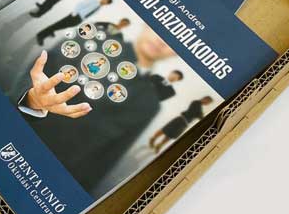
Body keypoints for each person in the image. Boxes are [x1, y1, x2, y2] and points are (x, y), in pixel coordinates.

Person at [12, 25, 178, 196]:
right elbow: (34, 76)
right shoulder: (91, 39)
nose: (162, 41)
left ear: (177, 53)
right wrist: (31, 100)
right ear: (147, 24)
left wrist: (69, 194)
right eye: (162, 30)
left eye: (174, 40)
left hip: (47, 181)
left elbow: (105, 160)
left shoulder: (149, 104)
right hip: (14, 134)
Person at [36, 0, 113, 45]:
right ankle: (40, 35)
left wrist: (81, 21)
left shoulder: (99, 8)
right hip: (75, 15)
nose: (105, 2)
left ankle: (51, 31)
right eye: (105, 0)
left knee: (62, 26)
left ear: (107, 4)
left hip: (79, 19)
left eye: (107, 2)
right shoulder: (93, 1)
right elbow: (81, 4)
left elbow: (89, 15)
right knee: (58, 24)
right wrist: (74, 13)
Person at [149, 96, 215, 154]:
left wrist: (201, 116)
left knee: (171, 136)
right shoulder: (196, 103)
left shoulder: (200, 108)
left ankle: (159, 145)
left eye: (209, 103)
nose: (207, 104)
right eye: (208, 102)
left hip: (184, 124)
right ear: (205, 99)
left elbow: (199, 115)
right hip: (180, 119)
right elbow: (196, 113)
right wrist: (202, 116)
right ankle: (153, 139)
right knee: (165, 130)